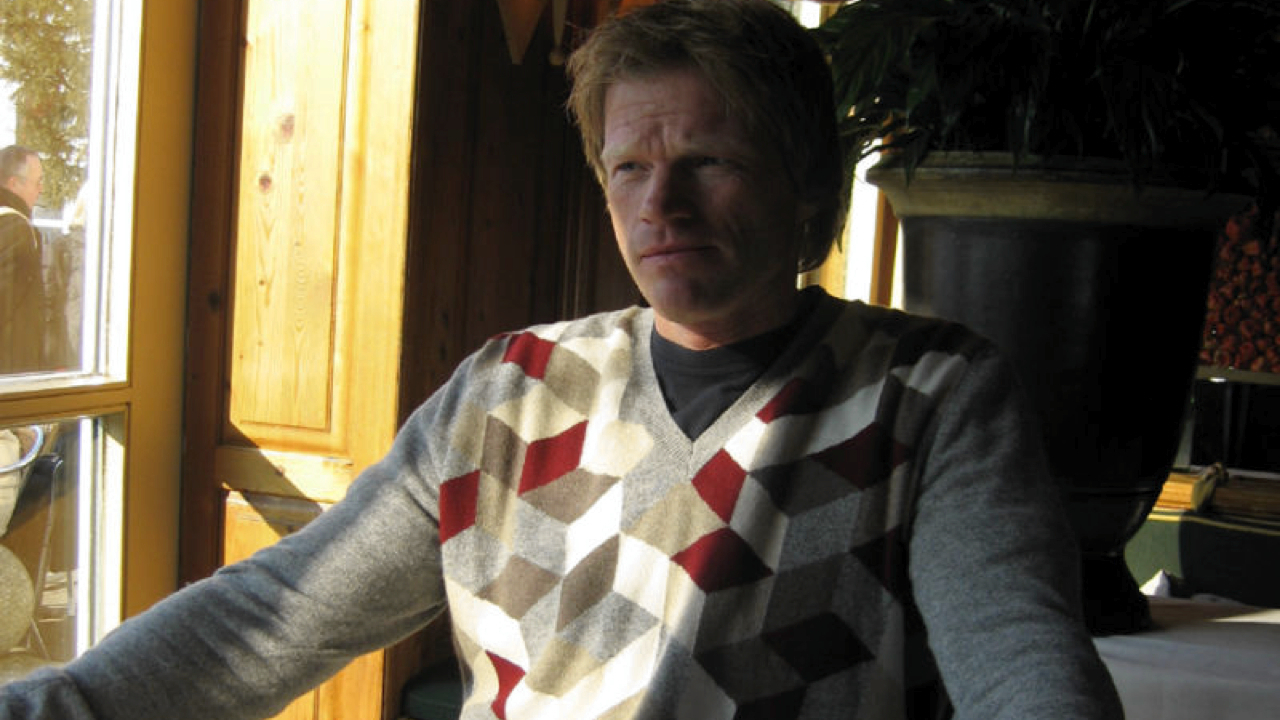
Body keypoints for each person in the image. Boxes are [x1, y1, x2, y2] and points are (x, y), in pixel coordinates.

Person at [0, 1, 1125, 717]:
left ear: (805, 183)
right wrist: (62, 706)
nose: (661, 202)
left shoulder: (929, 393)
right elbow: (279, 613)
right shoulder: (508, 393)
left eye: (709, 159)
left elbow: (1017, 654)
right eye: (629, 166)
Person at [0, 146, 51, 374]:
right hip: (13, 369)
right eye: (37, 182)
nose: (41, 190)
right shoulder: (16, 229)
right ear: (14, 183)